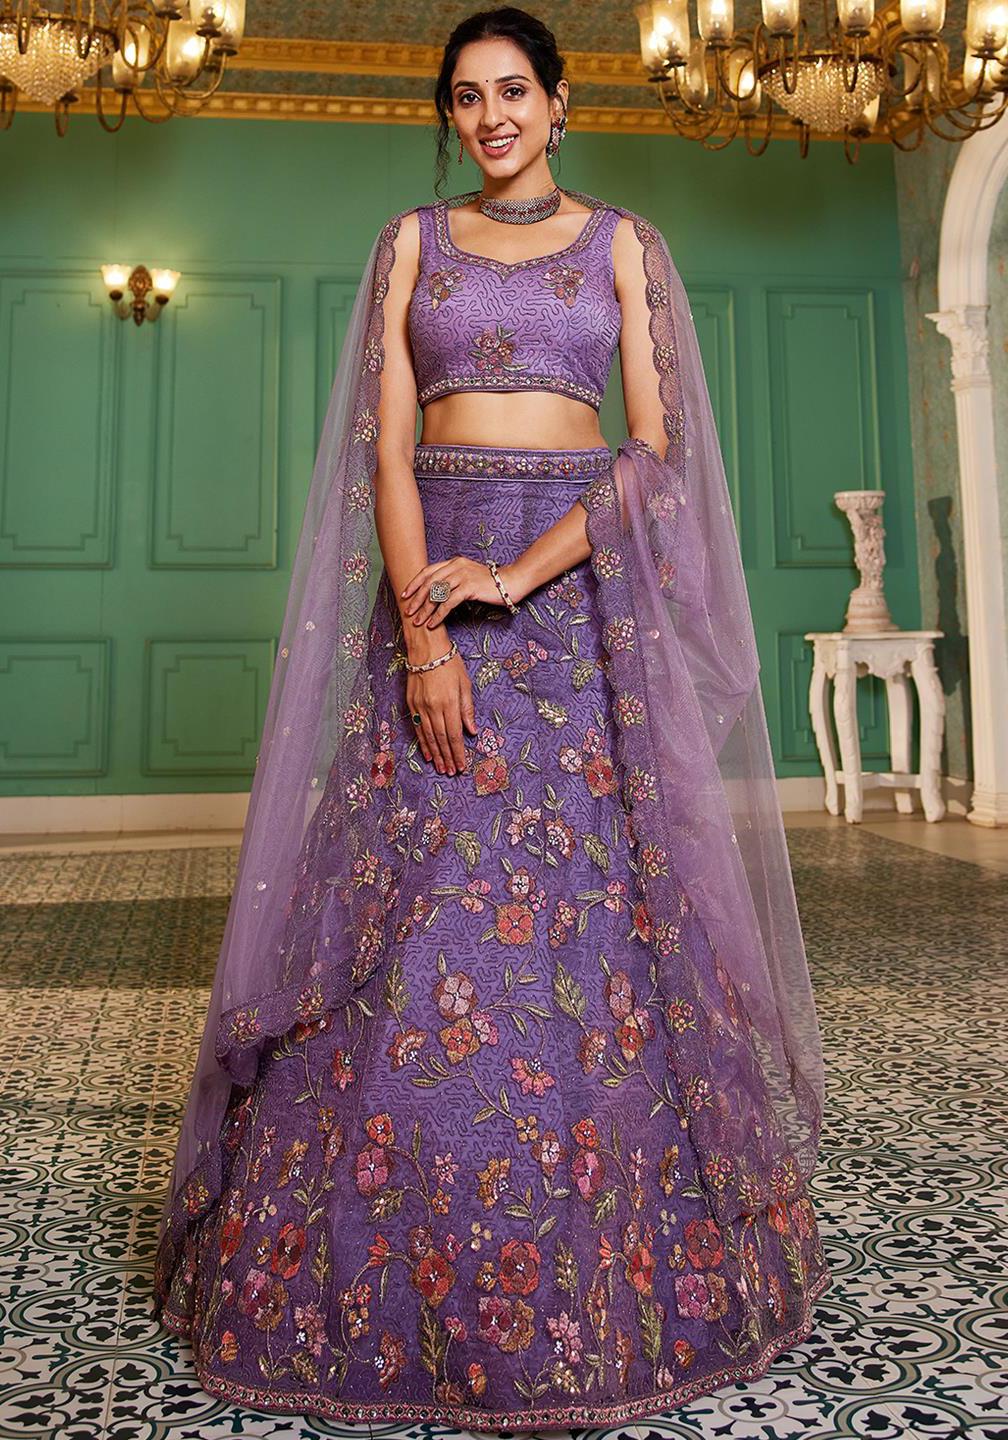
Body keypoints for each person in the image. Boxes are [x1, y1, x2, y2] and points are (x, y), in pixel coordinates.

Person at [153, 5, 830, 1427]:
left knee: (596, 918)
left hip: (576, 605)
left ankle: (604, 1276)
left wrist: (513, 580)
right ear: (451, 116)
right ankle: (377, 1286)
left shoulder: (627, 246)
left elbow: (655, 461)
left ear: (562, 102)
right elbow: (384, 453)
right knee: (412, 913)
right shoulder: (411, 243)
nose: (493, 117)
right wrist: (426, 640)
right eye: (467, 98)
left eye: (515, 91)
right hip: (435, 588)